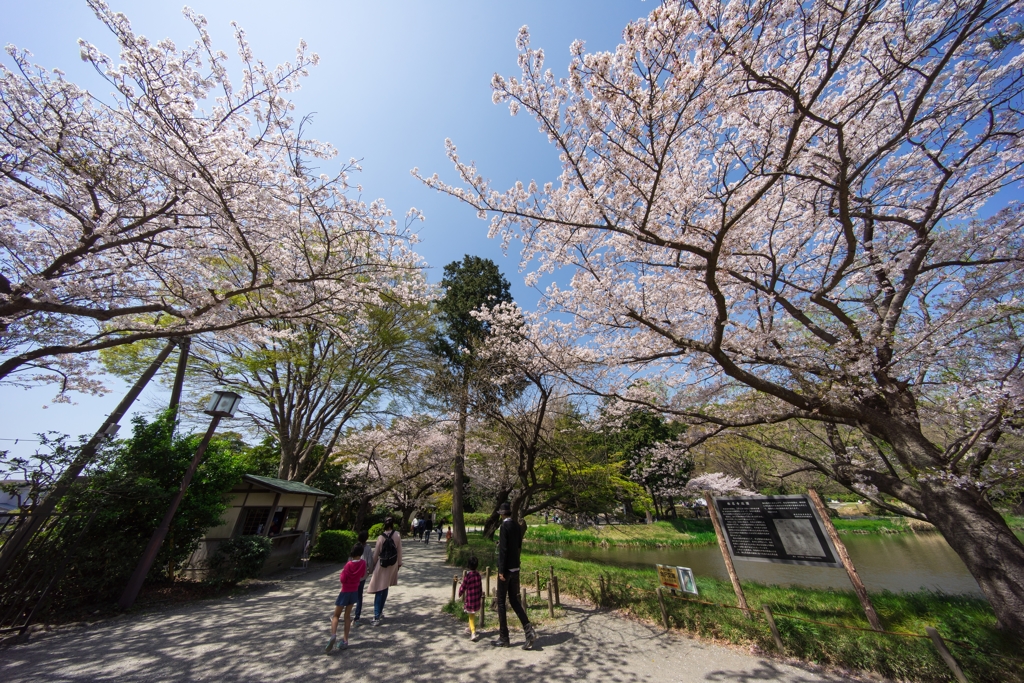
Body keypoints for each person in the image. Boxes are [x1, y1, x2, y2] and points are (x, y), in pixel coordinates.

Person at [493, 502, 536, 649]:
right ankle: (528, 630)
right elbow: (517, 546)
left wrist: (501, 571)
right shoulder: (517, 526)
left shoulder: (504, 526)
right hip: (516, 568)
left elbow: (504, 550)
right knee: (514, 601)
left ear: (501, 514)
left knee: (500, 602)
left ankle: (504, 637)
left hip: (506, 570)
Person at [326, 543, 366, 652]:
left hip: (345, 591)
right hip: (354, 591)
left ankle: (333, 635)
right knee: (347, 616)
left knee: (336, 615)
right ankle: (345, 640)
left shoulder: (348, 564)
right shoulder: (363, 563)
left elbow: (342, 579)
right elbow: (362, 575)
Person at [367, 517, 402, 625]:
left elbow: (376, 553)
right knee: (385, 586)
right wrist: (399, 563)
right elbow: (399, 550)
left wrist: (372, 566)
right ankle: (380, 611)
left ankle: (376, 616)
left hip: (382, 564)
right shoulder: (397, 535)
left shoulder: (380, 537)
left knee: (379, 588)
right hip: (392, 563)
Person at [458, 556, 483, 642]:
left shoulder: (468, 576)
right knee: (473, 614)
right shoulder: (478, 575)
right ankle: (470, 627)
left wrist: (460, 592)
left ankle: (473, 632)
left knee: (471, 616)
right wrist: (480, 595)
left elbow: (463, 586)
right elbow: (480, 587)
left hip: (470, 599)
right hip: (477, 598)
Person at [353, 530, 374, 624]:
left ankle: (343, 613)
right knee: (359, 595)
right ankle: (357, 617)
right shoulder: (368, 548)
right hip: (362, 575)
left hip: (353, 574)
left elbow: (350, 559)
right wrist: (371, 570)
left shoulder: (355, 547)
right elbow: (369, 561)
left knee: (349, 593)